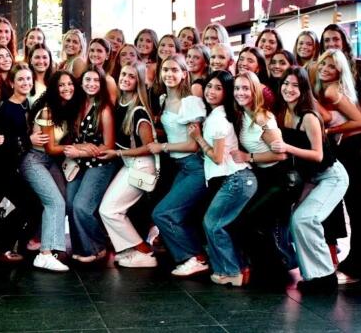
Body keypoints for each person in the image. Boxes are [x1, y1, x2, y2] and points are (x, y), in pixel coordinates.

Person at [277, 67, 349, 293]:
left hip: (331, 176)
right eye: (286, 84)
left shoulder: (309, 116)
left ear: (304, 89)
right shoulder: (284, 113)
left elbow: (317, 155)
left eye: (295, 85)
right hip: (312, 178)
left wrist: (287, 147)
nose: (289, 89)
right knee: (297, 220)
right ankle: (313, 276)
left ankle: (326, 275)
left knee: (306, 218)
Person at [314, 49, 361, 284]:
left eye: (331, 66)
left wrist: (329, 130)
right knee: (359, 212)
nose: (325, 69)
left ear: (340, 70)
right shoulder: (330, 88)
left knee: (359, 212)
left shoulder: (332, 90)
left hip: (354, 151)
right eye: (323, 64)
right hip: (349, 151)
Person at [189, 70, 256, 286]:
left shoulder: (218, 119)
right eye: (209, 86)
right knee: (217, 224)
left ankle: (231, 272)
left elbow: (217, 158)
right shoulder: (216, 116)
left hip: (236, 179)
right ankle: (233, 270)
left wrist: (198, 138)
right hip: (237, 179)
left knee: (213, 224)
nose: (211, 91)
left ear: (226, 93)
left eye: (218, 88)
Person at [227, 71, 288, 284]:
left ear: (255, 91)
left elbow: (281, 154)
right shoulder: (243, 114)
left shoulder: (262, 117)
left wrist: (248, 157)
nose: (240, 92)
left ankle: (278, 271)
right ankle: (266, 270)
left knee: (248, 221)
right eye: (237, 88)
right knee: (248, 222)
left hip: (278, 177)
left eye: (246, 88)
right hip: (261, 175)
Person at [149, 55, 208, 277]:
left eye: (175, 70)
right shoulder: (164, 98)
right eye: (166, 69)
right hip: (180, 166)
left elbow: (193, 144)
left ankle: (192, 258)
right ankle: (197, 256)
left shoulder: (190, 102)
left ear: (184, 74)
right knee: (177, 214)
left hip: (195, 166)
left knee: (162, 213)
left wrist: (162, 146)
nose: (169, 74)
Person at [99, 62, 158, 268]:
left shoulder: (138, 111)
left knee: (109, 210)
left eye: (131, 76)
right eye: (123, 74)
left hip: (142, 167)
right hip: (130, 165)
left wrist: (117, 153)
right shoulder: (120, 104)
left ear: (138, 81)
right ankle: (133, 249)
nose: (125, 79)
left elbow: (149, 147)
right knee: (110, 209)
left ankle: (144, 251)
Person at [0, 63, 44, 261]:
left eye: (28, 78)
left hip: (22, 165)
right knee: (29, 204)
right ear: (12, 83)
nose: (25, 82)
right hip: (4, 168)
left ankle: (15, 243)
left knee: (30, 205)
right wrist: (28, 140)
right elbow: (0, 143)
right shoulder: (6, 109)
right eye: (20, 79)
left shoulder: (29, 104)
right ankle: (2, 245)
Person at [23, 71, 76, 272]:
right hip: (34, 160)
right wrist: (80, 148)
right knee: (55, 202)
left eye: (69, 83)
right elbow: (51, 148)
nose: (66, 88)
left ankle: (40, 240)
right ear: (54, 89)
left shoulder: (66, 108)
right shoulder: (47, 111)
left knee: (64, 199)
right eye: (61, 85)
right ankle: (44, 255)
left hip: (51, 161)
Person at [66, 66, 118, 263]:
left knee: (82, 206)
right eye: (88, 80)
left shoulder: (104, 109)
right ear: (81, 83)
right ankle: (81, 247)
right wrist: (79, 148)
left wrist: (80, 150)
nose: (91, 84)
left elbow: (108, 146)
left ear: (102, 84)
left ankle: (97, 246)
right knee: (69, 203)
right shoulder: (77, 105)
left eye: (96, 80)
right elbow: (73, 139)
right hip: (78, 163)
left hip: (100, 164)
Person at [88, 37, 118, 101]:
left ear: (107, 56)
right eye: (92, 50)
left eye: (99, 51)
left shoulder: (109, 81)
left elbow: (111, 105)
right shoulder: (84, 74)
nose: (95, 54)